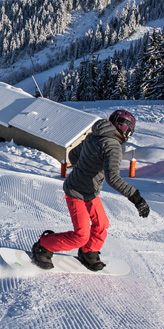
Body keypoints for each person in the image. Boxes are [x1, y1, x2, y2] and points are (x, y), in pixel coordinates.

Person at [31, 109, 149, 271]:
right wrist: (137, 198)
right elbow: (113, 178)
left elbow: (73, 155)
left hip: (89, 191)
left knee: (101, 224)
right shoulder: (113, 146)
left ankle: (88, 252)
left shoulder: (95, 135)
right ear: (125, 129)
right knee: (81, 236)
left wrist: (87, 168)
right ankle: (43, 246)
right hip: (76, 192)